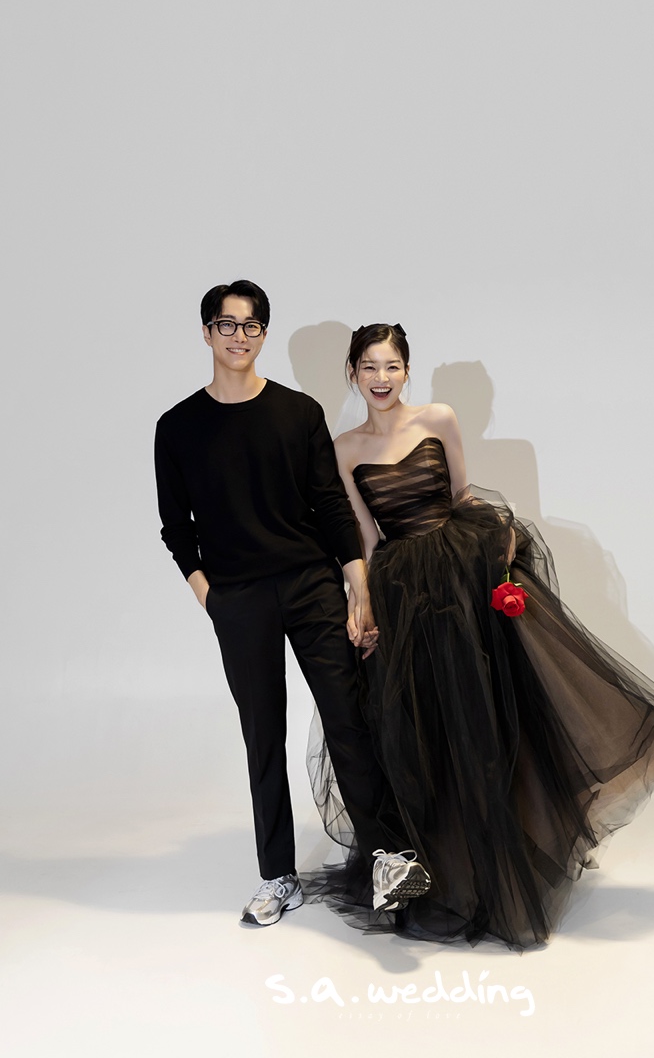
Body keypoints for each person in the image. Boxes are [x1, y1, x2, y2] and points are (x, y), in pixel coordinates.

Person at [310, 321, 654, 949]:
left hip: (467, 571)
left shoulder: (438, 418)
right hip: (408, 593)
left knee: (562, 680)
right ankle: (452, 874)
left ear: (407, 370)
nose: (382, 378)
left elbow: (462, 495)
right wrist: (366, 604)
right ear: (352, 372)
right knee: (436, 734)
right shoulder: (344, 449)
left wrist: (503, 539)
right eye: (370, 367)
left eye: (392, 366)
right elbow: (368, 538)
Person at [154, 284, 430, 927]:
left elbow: (331, 505)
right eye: (227, 325)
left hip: (310, 584)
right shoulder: (177, 427)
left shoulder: (298, 412)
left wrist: (357, 583)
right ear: (206, 332)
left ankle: (388, 857)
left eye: (251, 326)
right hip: (239, 598)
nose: (239, 336)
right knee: (262, 734)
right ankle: (277, 874)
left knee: (348, 717)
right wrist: (211, 598)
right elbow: (176, 527)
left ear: (263, 334)